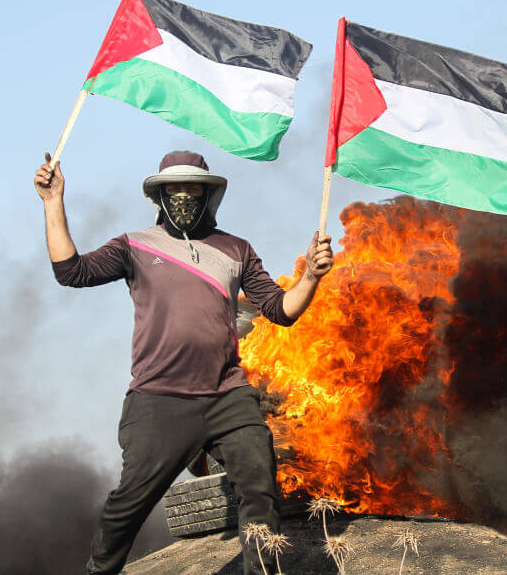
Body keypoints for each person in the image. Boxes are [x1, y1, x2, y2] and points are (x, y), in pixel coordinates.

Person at [33, 150, 333, 575]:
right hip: (159, 399)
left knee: (258, 482)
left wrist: (311, 277)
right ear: (159, 194)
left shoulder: (236, 249)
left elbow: (280, 310)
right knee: (129, 504)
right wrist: (52, 202)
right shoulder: (133, 246)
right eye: (174, 188)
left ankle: (263, 570)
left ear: (209, 194)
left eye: (194, 187)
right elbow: (71, 271)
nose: (184, 195)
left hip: (228, 396)